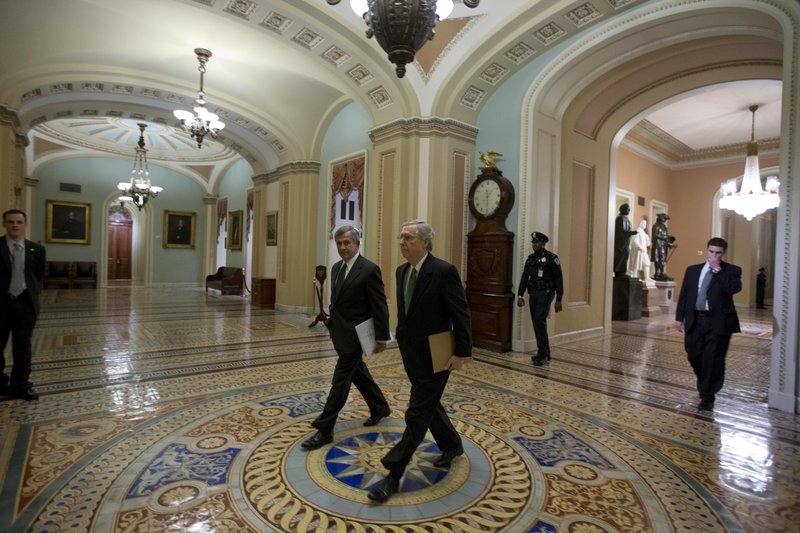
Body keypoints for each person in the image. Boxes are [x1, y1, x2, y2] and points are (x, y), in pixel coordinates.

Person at [367, 220, 472, 503]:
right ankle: (452, 445)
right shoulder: (402, 271)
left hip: (438, 354)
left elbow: (460, 314)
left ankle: (393, 473)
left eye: (408, 237)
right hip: (411, 352)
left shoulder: (443, 271)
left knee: (417, 411)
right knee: (429, 403)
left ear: (425, 242)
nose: (401, 241)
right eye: (401, 237)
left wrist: (460, 352)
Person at [301, 225, 392, 450]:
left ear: (357, 243)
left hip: (356, 336)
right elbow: (337, 300)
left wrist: (382, 338)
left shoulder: (370, 270)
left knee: (340, 380)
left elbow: (379, 306)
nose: (343, 247)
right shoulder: (335, 268)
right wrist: (331, 321)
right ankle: (380, 407)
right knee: (358, 373)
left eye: (347, 243)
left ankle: (325, 428)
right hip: (339, 332)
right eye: (339, 243)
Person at [675, 237, 741, 412]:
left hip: (718, 322)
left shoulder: (732, 270)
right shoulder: (692, 270)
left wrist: (718, 270)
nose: (714, 256)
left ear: (723, 253)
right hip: (696, 319)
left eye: (718, 253)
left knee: (712, 359)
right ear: (707, 250)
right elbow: (685, 295)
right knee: (694, 355)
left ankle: (707, 396)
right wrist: (679, 317)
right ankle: (705, 384)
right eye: (711, 252)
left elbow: (732, 289)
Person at [1, 209, 46, 401]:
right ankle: (0, 384)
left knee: (23, 347)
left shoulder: (36, 249)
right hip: (1, 304)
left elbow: (38, 275)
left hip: (25, 304)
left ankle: (21, 385)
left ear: (24, 224)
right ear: (5, 224)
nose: (15, 225)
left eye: (19, 222)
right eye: (11, 222)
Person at [517, 232, 563, 366]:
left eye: (537, 242)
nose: (534, 244)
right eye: (533, 242)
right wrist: (520, 295)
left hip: (547, 292)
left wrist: (559, 298)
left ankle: (542, 354)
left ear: (543, 244)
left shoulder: (552, 258)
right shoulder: (530, 259)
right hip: (534, 292)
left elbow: (559, 279)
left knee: (539, 321)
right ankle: (545, 351)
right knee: (537, 322)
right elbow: (525, 278)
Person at [628, 219, 655, 285]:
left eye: (645, 224)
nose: (644, 225)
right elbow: (634, 241)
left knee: (647, 263)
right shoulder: (637, 232)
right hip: (639, 251)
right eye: (643, 224)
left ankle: (647, 277)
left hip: (643, 251)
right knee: (636, 264)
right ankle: (634, 276)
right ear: (641, 224)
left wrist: (648, 240)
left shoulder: (643, 233)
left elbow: (647, 244)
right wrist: (640, 247)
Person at [613, 203, 637, 276]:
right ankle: (618, 272)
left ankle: (623, 271)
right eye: (628, 208)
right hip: (620, 243)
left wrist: (630, 233)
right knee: (620, 256)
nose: (629, 210)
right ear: (623, 209)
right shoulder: (619, 219)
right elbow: (620, 231)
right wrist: (630, 232)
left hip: (626, 242)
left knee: (625, 255)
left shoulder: (627, 219)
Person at [651, 213, 676, 281]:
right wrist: (664, 238)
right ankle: (658, 273)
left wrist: (671, 244)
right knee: (658, 259)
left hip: (663, 246)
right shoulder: (655, 226)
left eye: (665, 219)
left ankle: (661, 273)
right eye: (664, 219)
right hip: (657, 246)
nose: (665, 220)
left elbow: (666, 238)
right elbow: (655, 235)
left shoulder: (664, 227)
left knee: (662, 259)